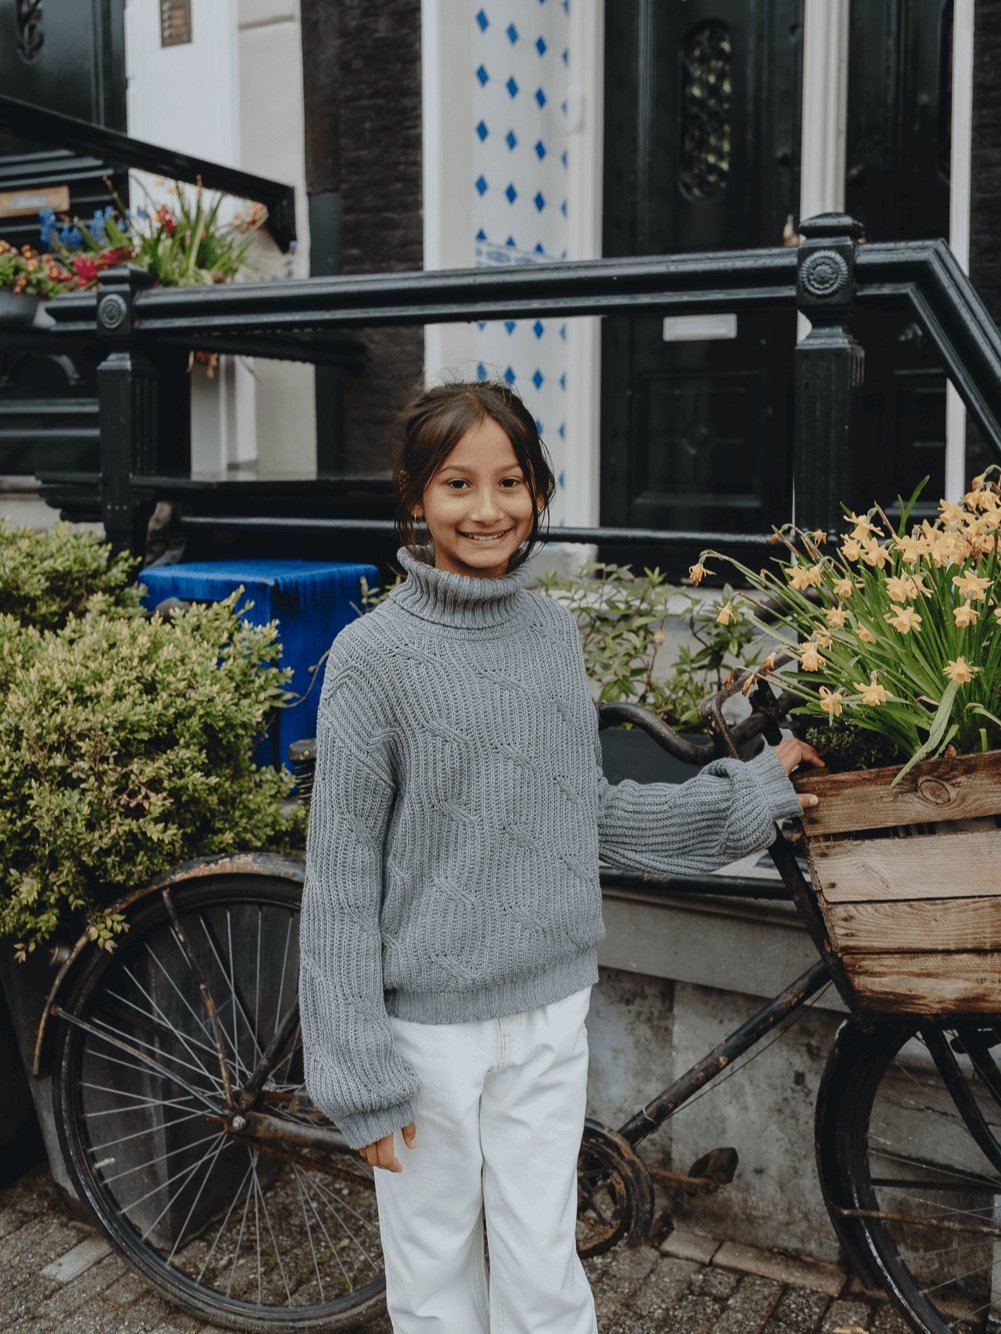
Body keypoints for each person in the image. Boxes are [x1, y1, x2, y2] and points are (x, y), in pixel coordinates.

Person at [298, 379, 821, 1334]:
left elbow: (584, 815)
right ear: (415, 496)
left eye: (510, 482)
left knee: (543, 1265)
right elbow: (337, 881)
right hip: (427, 1039)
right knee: (433, 1278)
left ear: (538, 491)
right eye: (457, 484)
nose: (487, 508)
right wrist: (359, 1078)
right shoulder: (371, 657)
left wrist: (751, 793)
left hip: (547, 1014)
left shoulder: (551, 634)